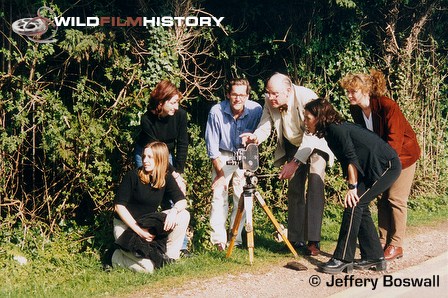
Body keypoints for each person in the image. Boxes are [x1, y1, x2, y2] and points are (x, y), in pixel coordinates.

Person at [303, 98, 401, 274]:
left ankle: (342, 258)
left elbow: (350, 158)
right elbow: (349, 158)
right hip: (370, 167)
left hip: (386, 166)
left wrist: (352, 187)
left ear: (319, 117)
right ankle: (374, 256)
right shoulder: (330, 130)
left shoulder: (335, 129)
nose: (305, 121)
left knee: (354, 204)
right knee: (359, 206)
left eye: (308, 117)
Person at [240, 73, 334, 256]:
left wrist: (295, 163)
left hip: (315, 142)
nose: (270, 97)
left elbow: (311, 136)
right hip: (293, 143)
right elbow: (265, 124)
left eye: (274, 94)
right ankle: (295, 239)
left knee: (315, 185)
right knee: (294, 190)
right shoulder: (270, 101)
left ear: (289, 90)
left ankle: (313, 242)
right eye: (268, 93)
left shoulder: (308, 98)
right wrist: (255, 137)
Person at [340, 70, 421, 261]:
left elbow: (395, 140)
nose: (349, 95)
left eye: (353, 91)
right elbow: (366, 140)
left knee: (395, 199)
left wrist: (382, 165)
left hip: (404, 156)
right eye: (348, 92)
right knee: (382, 199)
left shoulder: (387, 106)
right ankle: (383, 241)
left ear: (366, 90)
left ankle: (396, 244)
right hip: (384, 158)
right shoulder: (356, 110)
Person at [111, 141, 190, 273]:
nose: (145, 161)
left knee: (183, 214)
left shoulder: (166, 178)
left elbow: (182, 201)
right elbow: (119, 207)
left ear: (160, 159)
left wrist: (174, 211)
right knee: (148, 268)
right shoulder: (132, 176)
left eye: (150, 157)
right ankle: (115, 257)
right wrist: (139, 231)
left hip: (147, 222)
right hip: (126, 227)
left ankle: (169, 258)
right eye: (144, 156)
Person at [205, 78, 262, 251]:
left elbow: (259, 135)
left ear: (247, 96)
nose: (238, 99)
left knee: (243, 196)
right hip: (222, 154)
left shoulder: (256, 110)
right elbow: (212, 147)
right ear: (228, 95)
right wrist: (220, 175)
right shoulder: (216, 112)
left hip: (244, 154)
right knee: (218, 195)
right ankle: (218, 241)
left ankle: (235, 237)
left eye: (242, 95)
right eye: (234, 94)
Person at [134, 79, 190, 255]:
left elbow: (182, 143)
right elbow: (156, 153)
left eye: (177, 102)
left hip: (169, 154)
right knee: (148, 193)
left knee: (174, 196)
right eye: (172, 103)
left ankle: (181, 245)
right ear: (161, 102)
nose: (176, 106)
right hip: (147, 153)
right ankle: (142, 239)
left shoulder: (180, 115)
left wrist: (178, 174)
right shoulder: (147, 120)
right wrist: (172, 173)